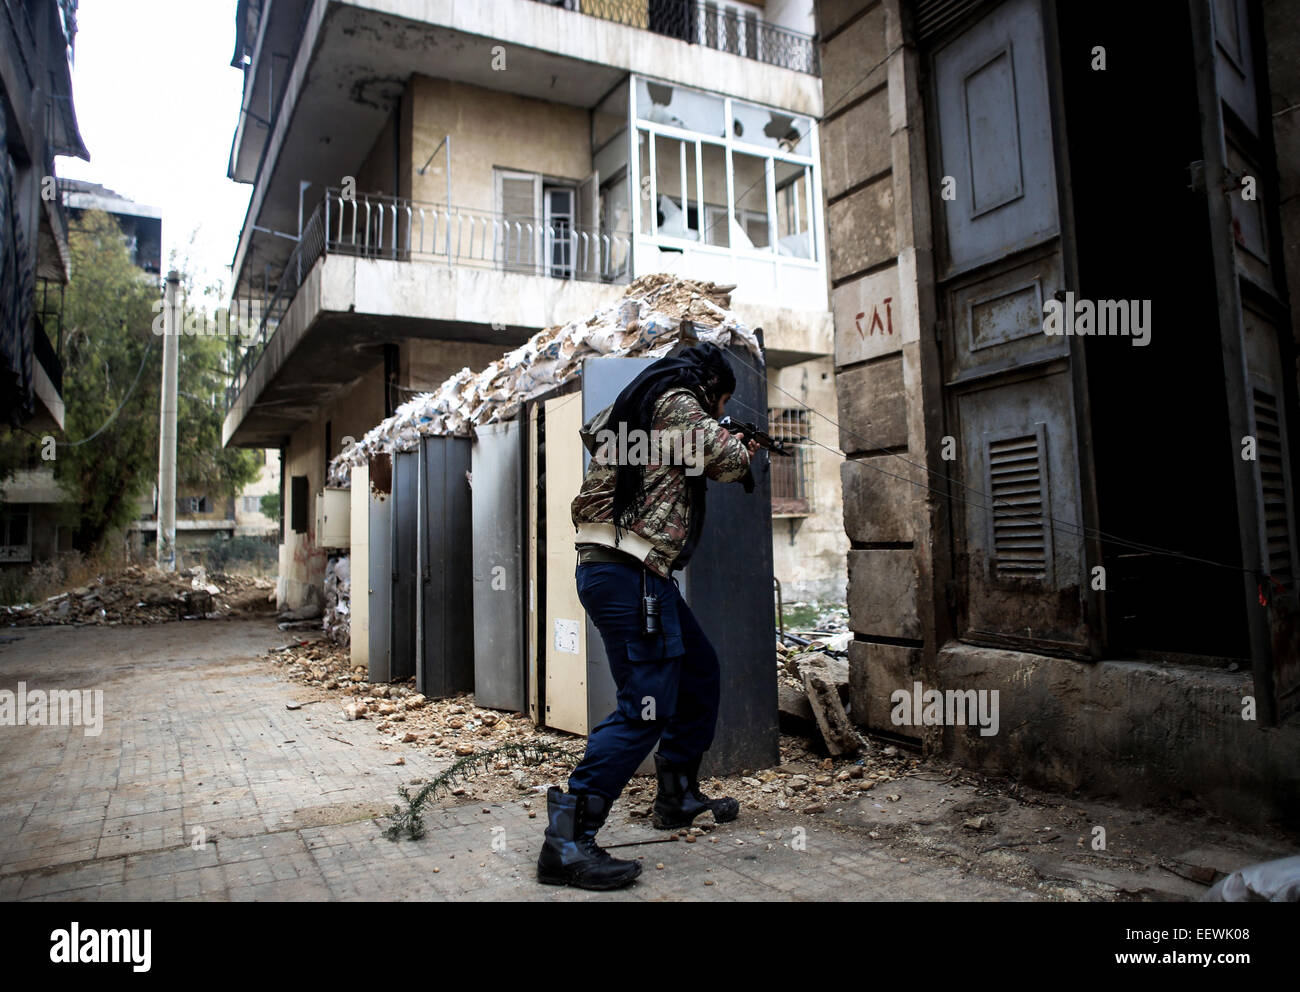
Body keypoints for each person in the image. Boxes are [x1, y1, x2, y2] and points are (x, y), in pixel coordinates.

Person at [536, 343, 761, 890]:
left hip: (631, 572)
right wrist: (738, 444)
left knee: (699, 671)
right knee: (645, 704)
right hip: (628, 572)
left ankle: (677, 796)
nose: (716, 411)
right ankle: (567, 842)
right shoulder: (677, 400)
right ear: (710, 387)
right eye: (721, 402)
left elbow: (678, 453)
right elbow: (726, 459)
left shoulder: (639, 406)